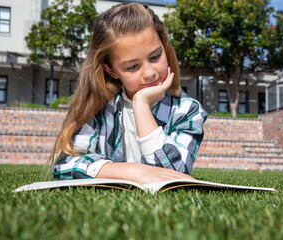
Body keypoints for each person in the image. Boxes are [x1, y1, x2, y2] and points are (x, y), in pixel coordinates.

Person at [50, 3, 207, 184]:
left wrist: (141, 104)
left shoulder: (187, 111)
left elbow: (172, 175)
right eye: (132, 66)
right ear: (111, 71)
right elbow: (65, 165)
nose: (149, 73)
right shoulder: (99, 107)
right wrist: (131, 171)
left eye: (155, 56)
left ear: (164, 47)